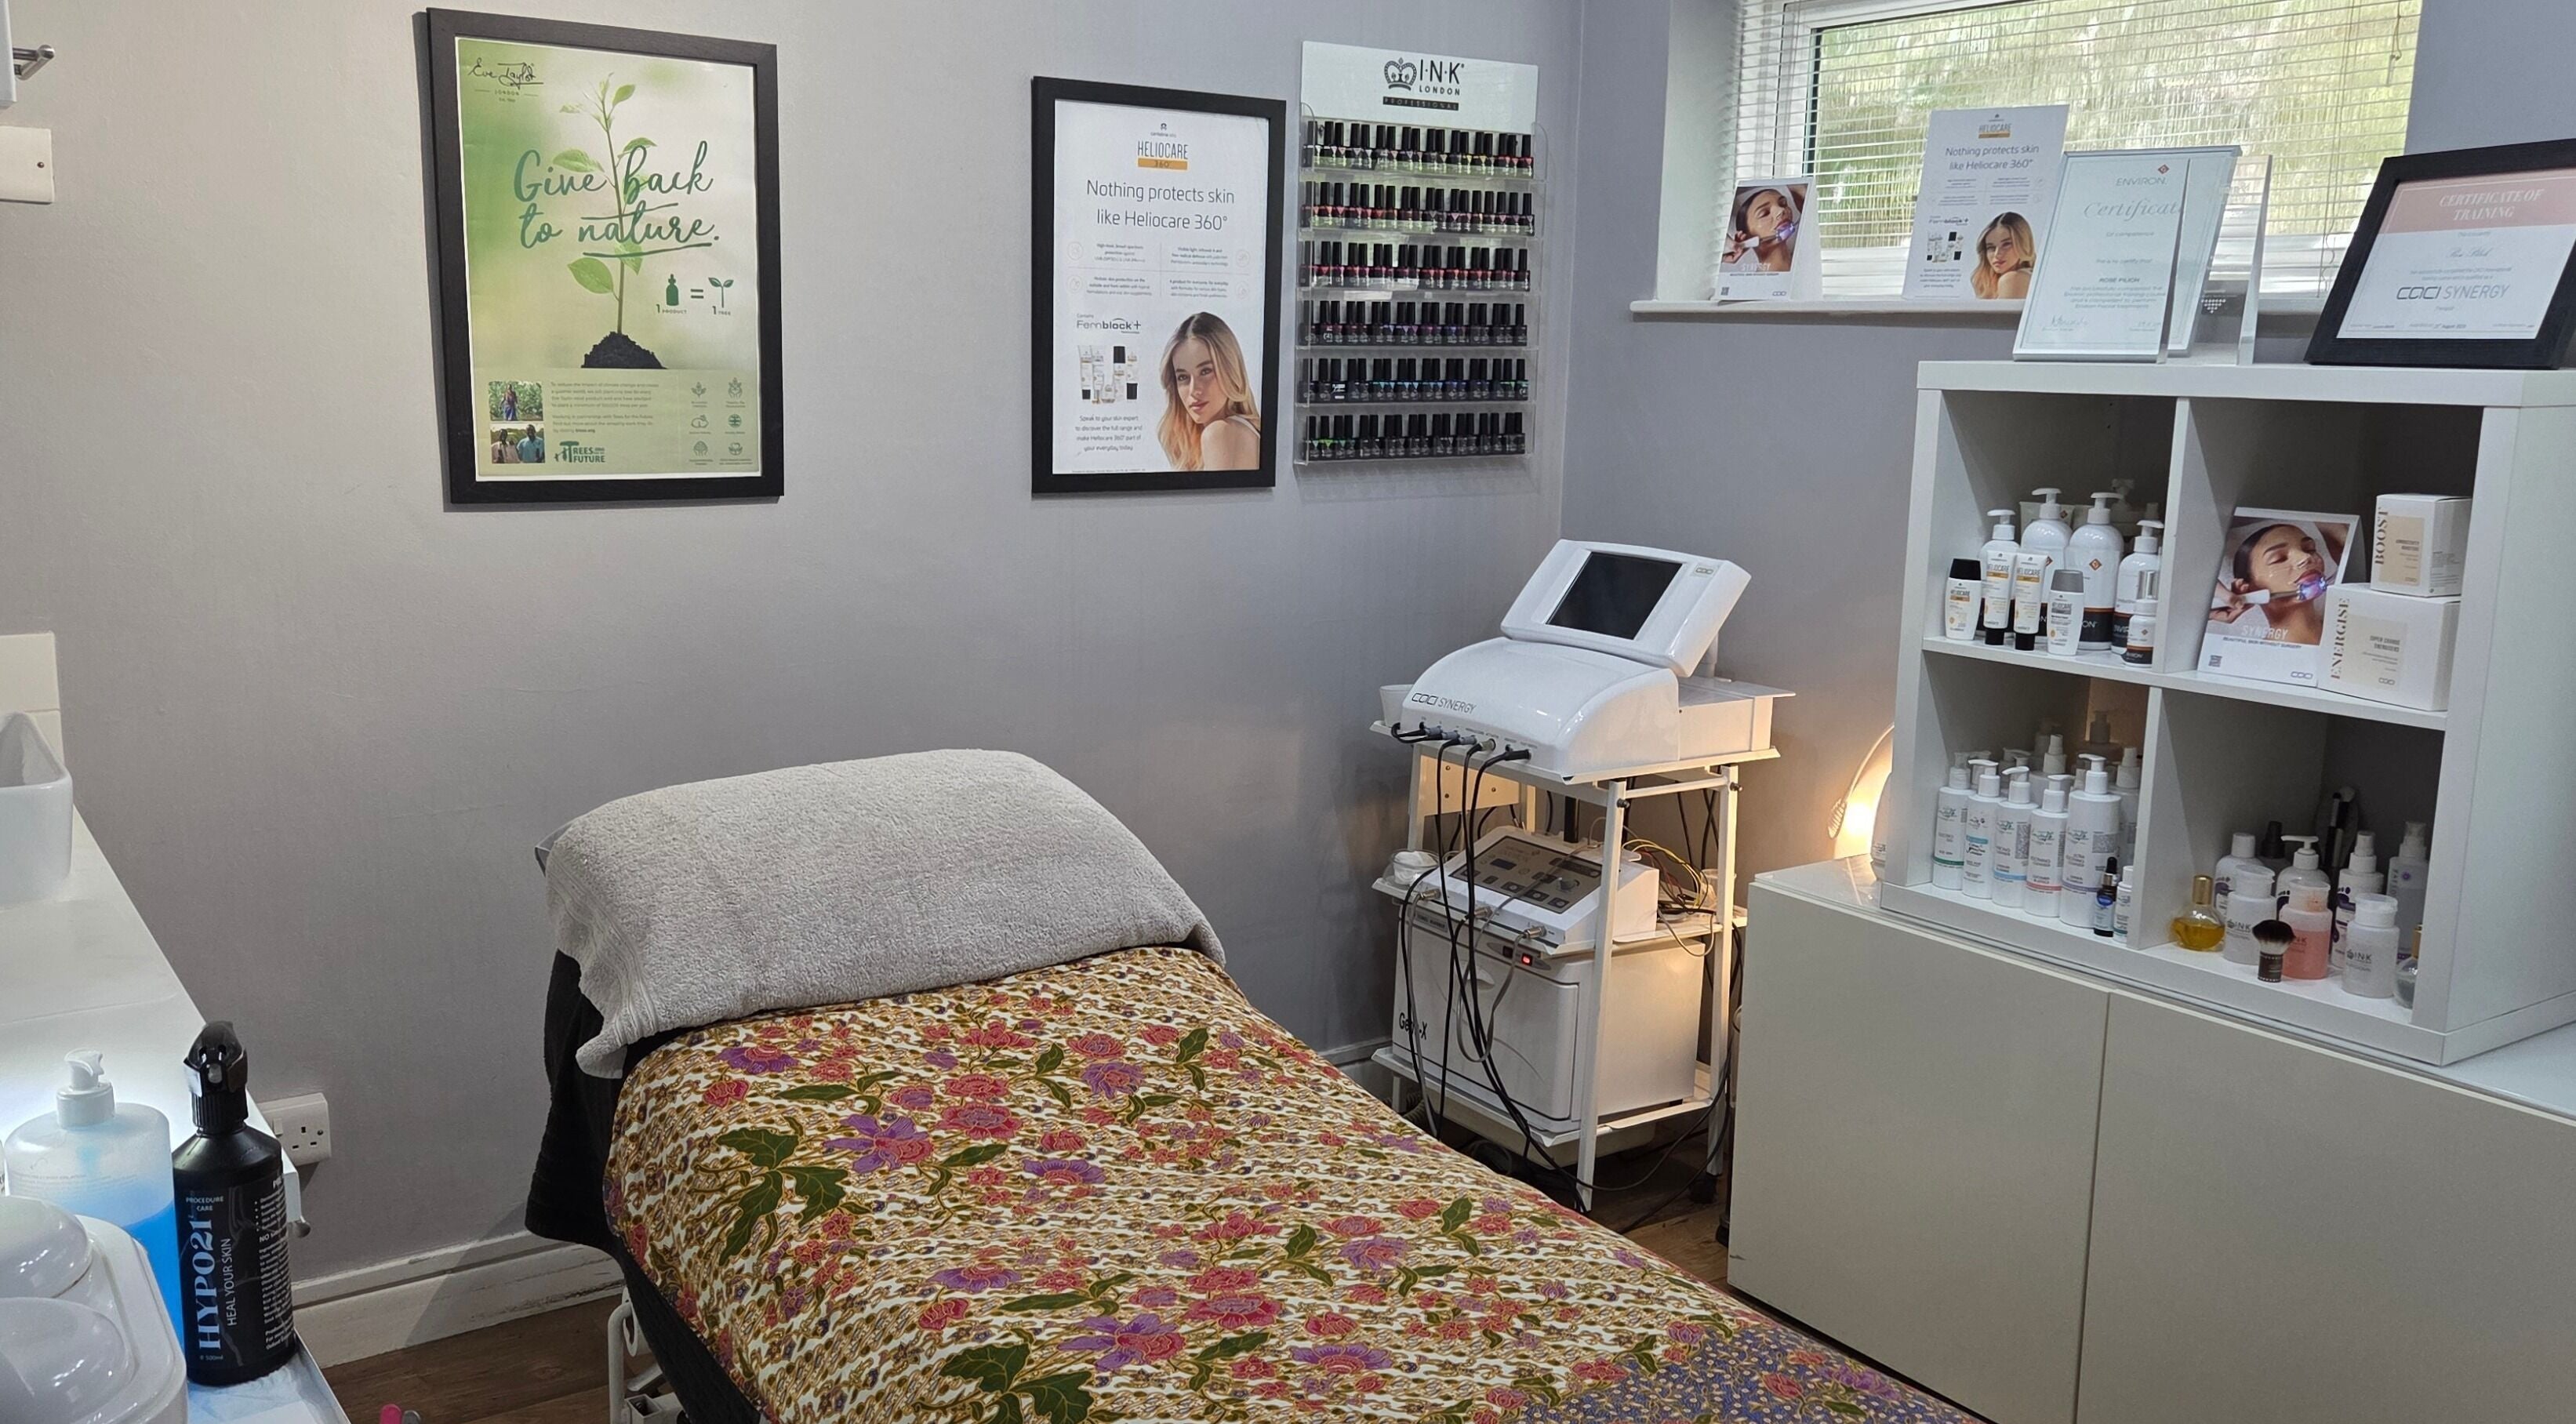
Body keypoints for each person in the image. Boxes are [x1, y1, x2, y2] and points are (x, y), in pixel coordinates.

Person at [1156, 312, 1261, 471]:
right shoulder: (1244, 430)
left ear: (1230, 369)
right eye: (1183, 377)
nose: (1194, 390)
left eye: (1205, 372)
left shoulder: (1219, 433)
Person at [2215, 521, 2337, 645]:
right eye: (2279, 559)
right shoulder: (2259, 661)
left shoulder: (2347, 628)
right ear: (2248, 590)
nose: (2305, 557)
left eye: (2310, 549)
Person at [1721, 185, 1803, 273]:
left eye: (1783, 204)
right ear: (1748, 238)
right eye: (1764, 213)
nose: (1781, 210)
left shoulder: (1805, 263)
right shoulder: (1758, 284)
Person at [1971, 213, 2037, 299]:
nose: (1997, 254)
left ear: (2023, 244)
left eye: (2006, 244)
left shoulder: (2012, 279)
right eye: (1991, 247)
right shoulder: (2028, 276)